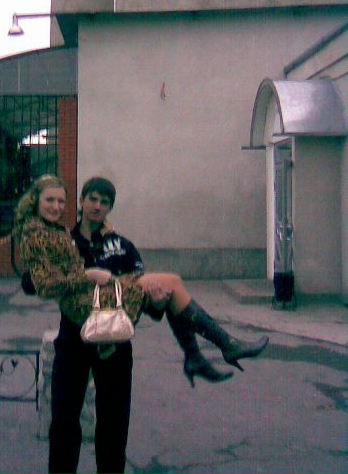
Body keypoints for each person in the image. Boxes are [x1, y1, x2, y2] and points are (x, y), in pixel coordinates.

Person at [14, 174, 268, 474]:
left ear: (110, 207)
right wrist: (86, 275)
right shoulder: (62, 237)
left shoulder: (122, 245)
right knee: (64, 425)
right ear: (81, 202)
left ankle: (204, 352)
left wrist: (157, 302)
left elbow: (150, 303)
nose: (97, 206)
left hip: (115, 345)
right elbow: (34, 282)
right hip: (75, 342)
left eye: (104, 202)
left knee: (113, 428)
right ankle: (207, 351)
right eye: (92, 199)